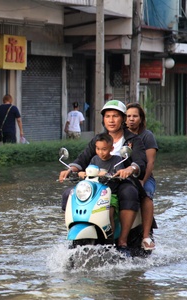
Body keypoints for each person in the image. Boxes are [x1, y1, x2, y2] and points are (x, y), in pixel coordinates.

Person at [59, 100, 146, 255]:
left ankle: (122, 240)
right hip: (97, 183)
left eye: (115, 116)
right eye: (107, 116)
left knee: (129, 193)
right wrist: (70, 169)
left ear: (123, 119)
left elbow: (140, 162)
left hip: (121, 181)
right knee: (69, 194)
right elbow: (83, 159)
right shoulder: (98, 139)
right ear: (103, 119)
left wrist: (130, 169)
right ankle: (75, 235)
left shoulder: (133, 140)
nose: (111, 120)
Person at [77, 132, 125, 235]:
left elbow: (119, 174)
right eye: (97, 149)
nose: (100, 152)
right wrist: (83, 173)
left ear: (111, 149)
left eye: (104, 149)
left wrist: (108, 174)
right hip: (94, 193)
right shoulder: (94, 159)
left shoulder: (117, 160)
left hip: (109, 194)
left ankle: (110, 236)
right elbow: (89, 171)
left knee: (109, 213)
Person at [126, 102, 158, 251]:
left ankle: (145, 237)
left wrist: (142, 181)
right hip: (121, 176)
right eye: (128, 116)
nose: (131, 119)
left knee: (146, 196)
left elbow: (150, 162)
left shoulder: (147, 135)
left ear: (141, 118)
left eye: (135, 116)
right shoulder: (120, 135)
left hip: (144, 176)